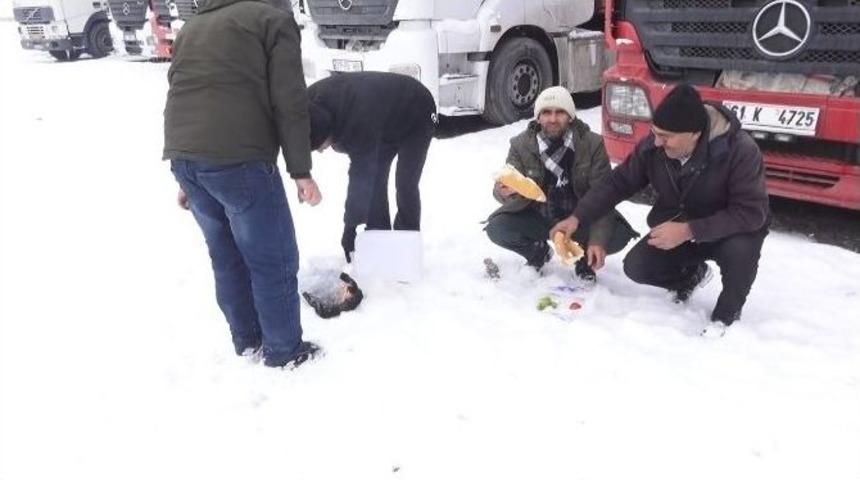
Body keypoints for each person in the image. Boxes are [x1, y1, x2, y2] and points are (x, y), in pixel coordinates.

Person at [163, 0, 322, 368]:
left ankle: (247, 340)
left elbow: (180, 90)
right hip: (238, 160)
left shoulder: (194, 26)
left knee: (226, 256)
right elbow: (290, 100)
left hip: (186, 157)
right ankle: (284, 351)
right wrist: (301, 170)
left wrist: (191, 172)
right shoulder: (272, 20)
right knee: (273, 260)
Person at [552, 84, 770, 336]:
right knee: (637, 266)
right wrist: (577, 217)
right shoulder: (655, 146)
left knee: (740, 250)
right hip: (681, 223)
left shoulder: (740, 151)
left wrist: (689, 230)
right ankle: (692, 275)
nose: (657, 141)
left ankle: (727, 314)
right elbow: (618, 183)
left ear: (695, 134)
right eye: (655, 133)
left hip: (731, 229)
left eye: (665, 136)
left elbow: (751, 214)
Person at [485, 86, 638, 281]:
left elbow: (604, 196)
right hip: (539, 217)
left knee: (618, 235)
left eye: (560, 112)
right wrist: (504, 191)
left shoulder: (592, 144)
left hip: (579, 220)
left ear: (570, 116)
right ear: (538, 117)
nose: (553, 119)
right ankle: (537, 253)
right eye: (546, 112)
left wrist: (597, 240)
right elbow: (504, 186)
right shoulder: (520, 145)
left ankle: (583, 259)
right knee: (498, 227)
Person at [307, 71, 437, 262]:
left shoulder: (356, 122)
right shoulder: (307, 103)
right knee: (376, 180)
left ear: (330, 134)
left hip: (417, 109)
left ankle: (406, 248)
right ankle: (379, 238)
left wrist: (350, 228)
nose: (321, 151)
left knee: (405, 183)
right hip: (382, 118)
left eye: (321, 146)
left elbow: (360, 175)